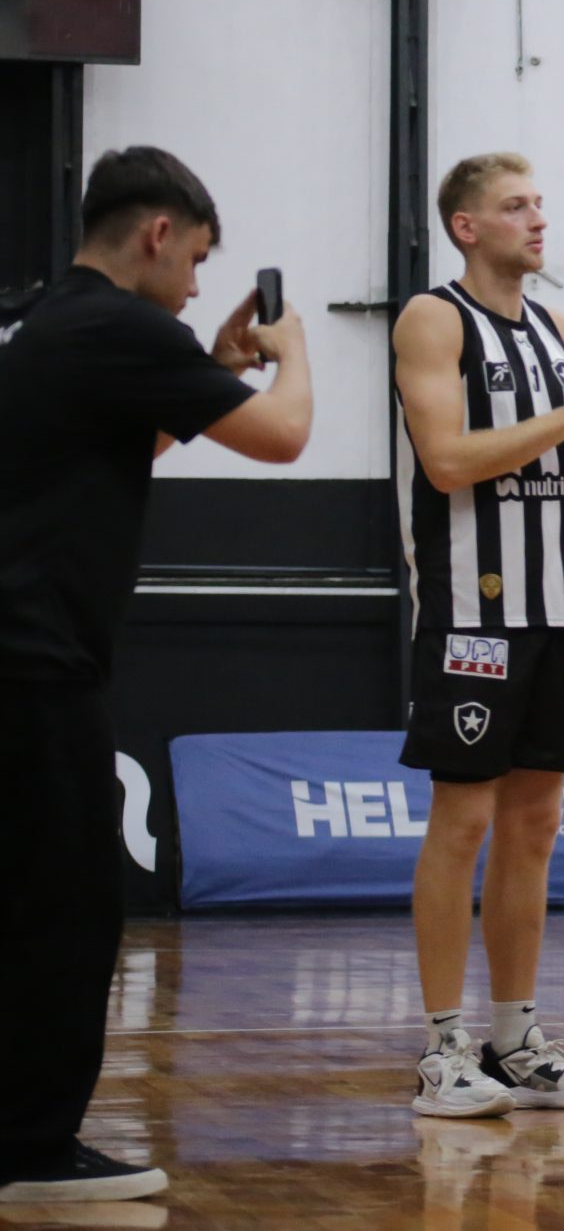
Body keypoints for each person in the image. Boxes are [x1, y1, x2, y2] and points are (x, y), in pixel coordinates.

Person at [0, 148, 312, 1205]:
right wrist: (289, 355)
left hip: (20, 659)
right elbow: (285, 436)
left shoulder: (47, 319)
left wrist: (210, 366)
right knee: (70, 912)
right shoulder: (127, 328)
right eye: (197, 262)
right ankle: (31, 1150)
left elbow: (126, 439)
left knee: (27, 903)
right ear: (158, 234)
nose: (194, 286)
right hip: (36, 663)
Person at [393, 153, 564, 1117]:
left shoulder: (554, 326)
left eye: (540, 202)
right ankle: (442, 1048)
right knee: (462, 820)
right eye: (515, 206)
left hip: (557, 608)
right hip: (474, 608)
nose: (538, 218)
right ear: (466, 226)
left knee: (536, 822)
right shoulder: (434, 318)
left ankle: (514, 1040)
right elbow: (446, 460)